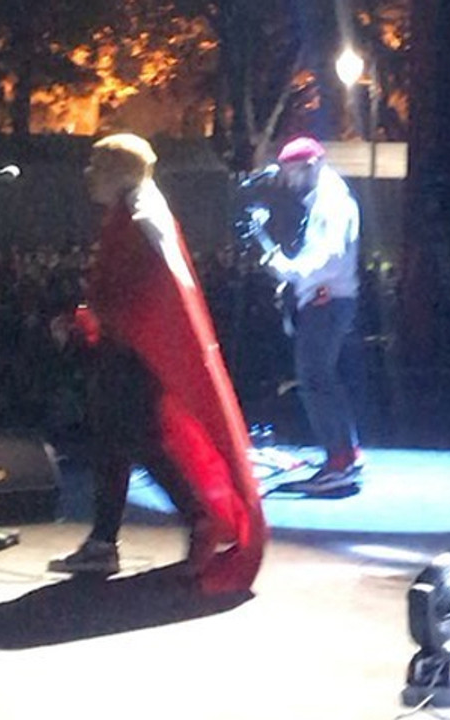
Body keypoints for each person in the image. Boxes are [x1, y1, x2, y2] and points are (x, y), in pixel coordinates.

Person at [48, 133, 267, 595]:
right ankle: (110, 538)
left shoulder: (140, 218)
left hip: (136, 350)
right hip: (132, 346)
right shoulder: (137, 212)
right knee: (121, 440)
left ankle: (194, 516)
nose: (89, 175)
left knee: (137, 439)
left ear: (119, 171)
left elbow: (143, 292)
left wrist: (98, 319)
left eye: (97, 166)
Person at [257, 136, 363, 492]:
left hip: (325, 301)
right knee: (323, 379)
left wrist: (287, 270)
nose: (289, 180)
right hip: (328, 300)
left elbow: (327, 257)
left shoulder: (330, 204)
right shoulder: (329, 199)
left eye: (293, 172)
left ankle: (339, 461)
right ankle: (346, 453)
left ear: (313, 165)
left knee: (314, 380)